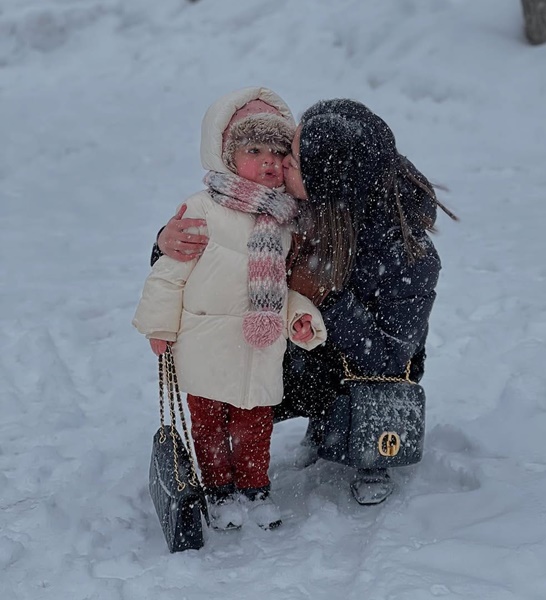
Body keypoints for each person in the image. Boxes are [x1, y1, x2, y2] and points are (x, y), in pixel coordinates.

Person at [155, 97, 452, 506]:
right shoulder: (297, 207)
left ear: (324, 179)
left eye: (291, 157)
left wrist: (326, 298)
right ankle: (292, 429)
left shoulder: (407, 257)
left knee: (377, 384)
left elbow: (388, 355)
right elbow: (227, 239)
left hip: (363, 367)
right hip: (299, 353)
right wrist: (165, 243)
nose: (281, 163)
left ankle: (369, 447)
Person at [134, 87, 328, 531]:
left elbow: (280, 285)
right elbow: (170, 273)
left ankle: (256, 489)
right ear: (225, 153)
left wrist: (298, 317)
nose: (269, 161)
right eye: (254, 149)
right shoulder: (202, 209)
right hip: (206, 340)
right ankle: (219, 491)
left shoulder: (286, 221)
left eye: (279, 152)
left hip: (258, 345)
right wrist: (158, 326)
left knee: (255, 421)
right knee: (208, 423)